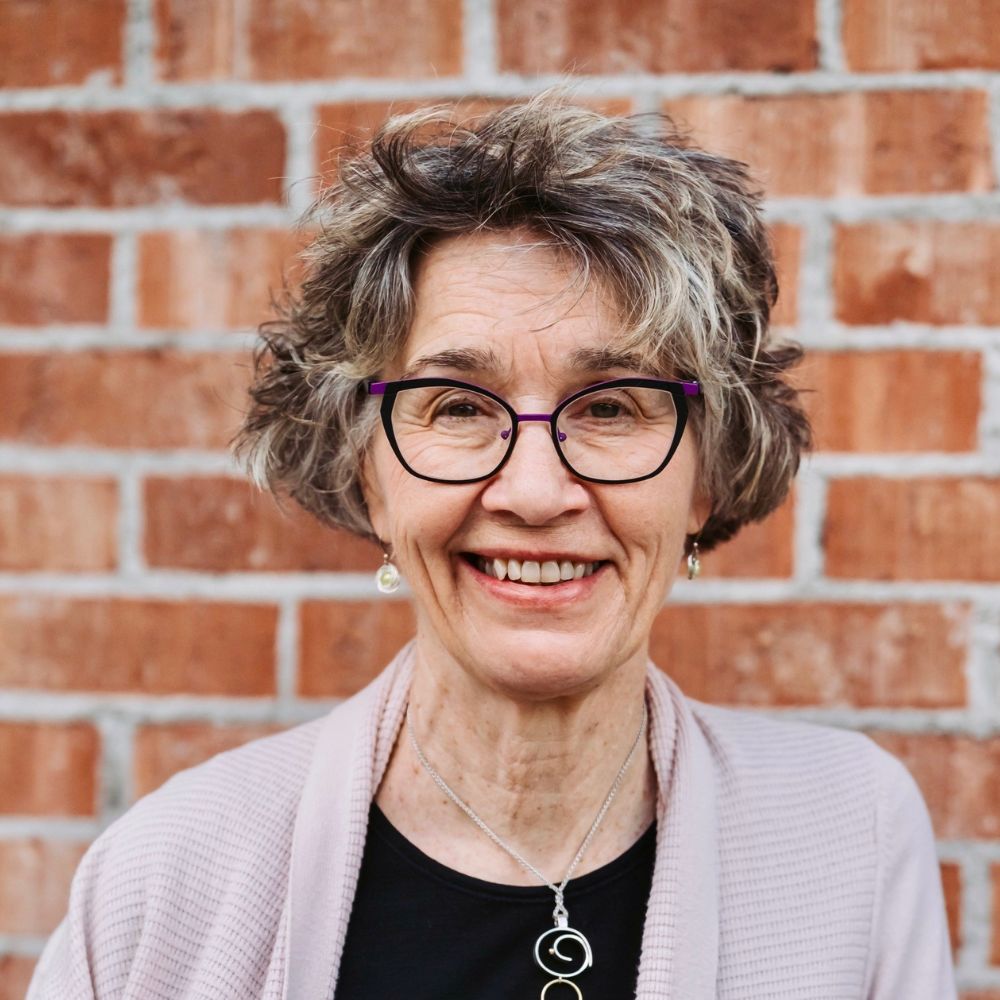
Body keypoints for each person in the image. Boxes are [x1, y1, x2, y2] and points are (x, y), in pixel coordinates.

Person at [29, 95, 956, 1000]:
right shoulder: (168, 877)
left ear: (707, 473)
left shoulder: (852, 837)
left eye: (611, 407)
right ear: (366, 471)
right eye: (460, 408)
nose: (536, 493)